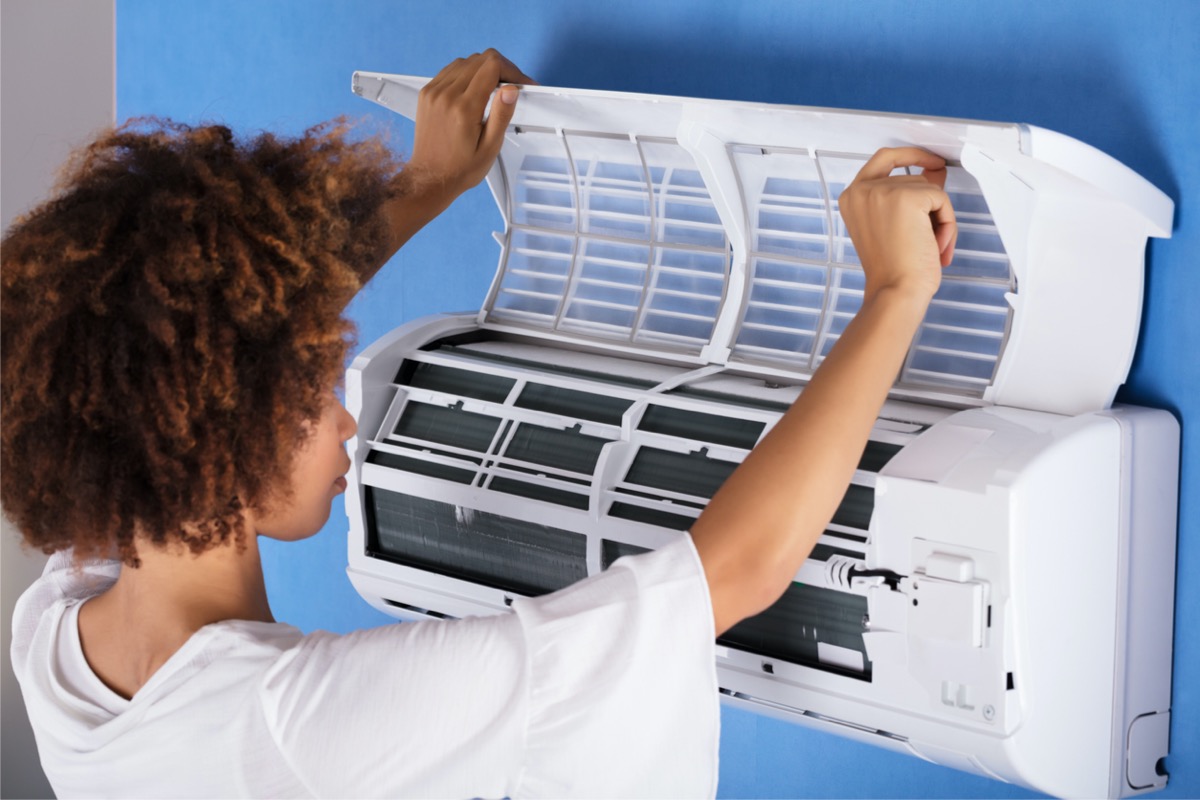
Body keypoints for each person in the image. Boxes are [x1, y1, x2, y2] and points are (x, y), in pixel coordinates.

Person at [3, 49, 956, 798]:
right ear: (211, 446)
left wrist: (428, 181)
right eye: (311, 396)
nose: (347, 420)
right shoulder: (299, 720)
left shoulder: (54, 629)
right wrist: (895, 291)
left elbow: (188, 341)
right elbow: (728, 574)